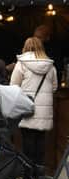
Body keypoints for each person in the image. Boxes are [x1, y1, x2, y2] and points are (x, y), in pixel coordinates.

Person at [10, 37, 58, 168]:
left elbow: (13, 86)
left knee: (27, 139)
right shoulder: (50, 66)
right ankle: (39, 171)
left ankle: (28, 171)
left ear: (25, 47)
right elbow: (54, 87)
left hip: (27, 106)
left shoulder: (21, 64)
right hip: (44, 108)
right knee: (40, 139)